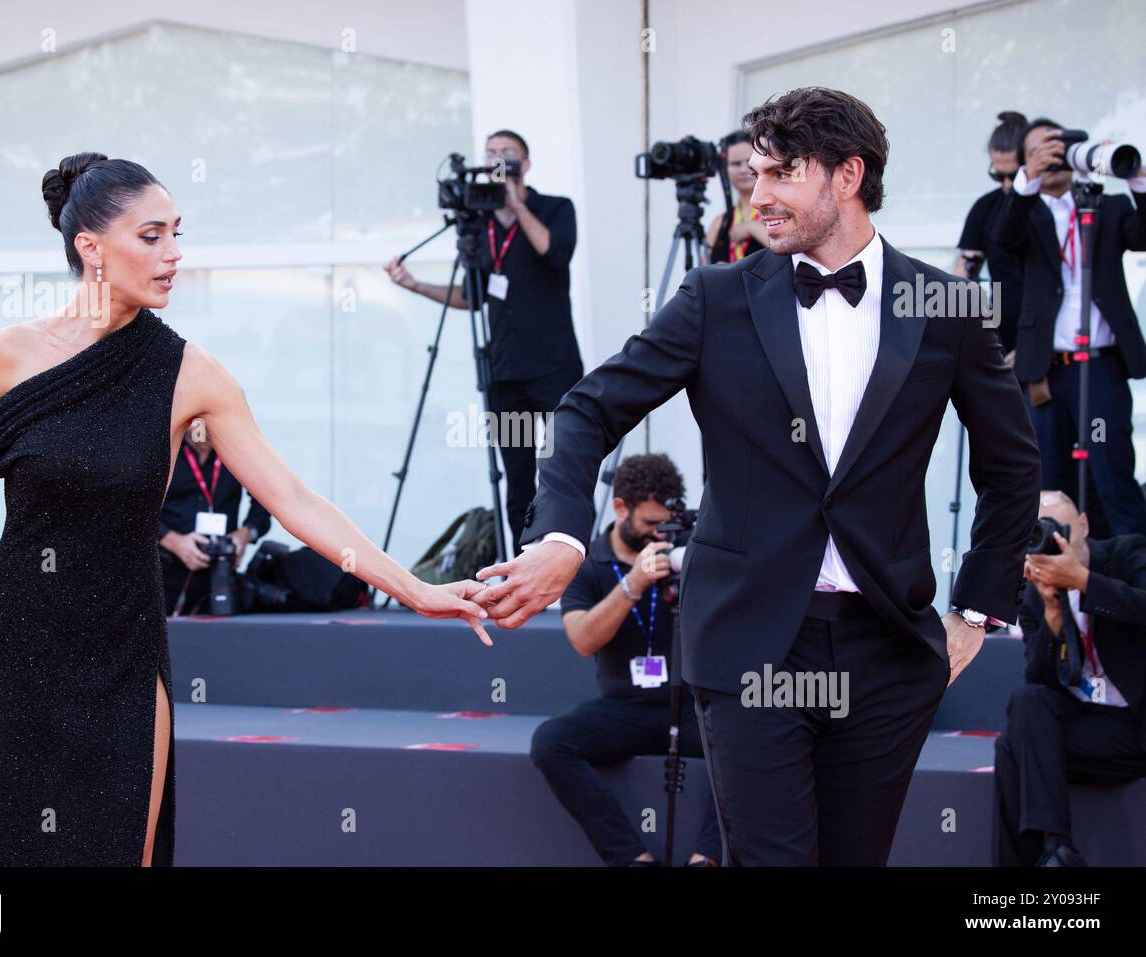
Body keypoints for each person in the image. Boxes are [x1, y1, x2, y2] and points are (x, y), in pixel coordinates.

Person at [474, 87, 1041, 865]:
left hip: (889, 651)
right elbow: (587, 409)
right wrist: (563, 533)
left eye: (782, 174)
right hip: (750, 644)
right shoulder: (717, 299)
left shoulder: (943, 304)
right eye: (756, 173)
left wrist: (977, 609)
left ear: (848, 175)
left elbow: (1011, 465)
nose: (758, 193)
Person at [0, 152, 492, 867]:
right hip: (15, 657)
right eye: (152, 235)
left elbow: (293, 499)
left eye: (178, 232)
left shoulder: (190, 372)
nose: (174, 253)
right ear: (90, 247)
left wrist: (415, 588)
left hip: (125, 657)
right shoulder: (6, 356)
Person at [385, 129, 584, 552]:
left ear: (525, 164)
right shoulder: (479, 223)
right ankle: (521, 568)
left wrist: (515, 204)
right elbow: (470, 297)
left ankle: (566, 569)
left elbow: (555, 253)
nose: (496, 160)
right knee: (517, 479)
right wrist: (415, 285)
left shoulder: (554, 208)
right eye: (490, 153)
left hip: (553, 370)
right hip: (505, 374)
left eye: (506, 153)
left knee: (560, 472)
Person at [529, 453, 723, 867]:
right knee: (550, 743)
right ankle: (632, 859)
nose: (659, 535)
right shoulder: (587, 563)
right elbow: (582, 640)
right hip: (624, 707)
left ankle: (707, 858)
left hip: (689, 705)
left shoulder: (686, 551)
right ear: (620, 508)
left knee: (757, 737)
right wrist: (632, 584)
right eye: (650, 524)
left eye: (665, 525)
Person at [994, 118, 1146, 538]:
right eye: (1044, 149)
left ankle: (1131, 588)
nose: (1056, 156)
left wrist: (1136, 176)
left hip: (1100, 368)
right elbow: (1003, 239)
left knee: (1112, 476)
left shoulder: (1108, 206)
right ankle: (1052, 596)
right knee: (1050, 486)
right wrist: (1029, 176)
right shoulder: (1026, 214)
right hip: (1047, 371)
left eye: (1062, 147)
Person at [995, 489, 1146, 866]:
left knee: (1013, 749)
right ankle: (1056, 852)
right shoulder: (1035, 594)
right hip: (1091, 725)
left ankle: (1039, 860)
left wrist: (1083, 581)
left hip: (1138, 726)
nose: (1054, 540)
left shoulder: (1127, 554)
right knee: (1027, 706)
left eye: (1061, 528)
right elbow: (1040, 680)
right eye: (1041, 532)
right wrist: (1052, 614)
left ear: (1084, 526)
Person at [159, 425, 272, 615]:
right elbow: (132, 507)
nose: (202, 428)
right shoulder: (161, 451)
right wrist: (171, 540)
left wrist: (244, 534)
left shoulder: (239, 454)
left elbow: (266, 502)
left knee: (218, 638)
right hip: (164, 569)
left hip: (221, 572)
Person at [953, 110, 1028, 358]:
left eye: (1014, 175)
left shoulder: (1048, 208)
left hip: (1048, 336)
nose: (1006, 184)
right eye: (998, 175)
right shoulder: (985, 207)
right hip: (1001, 335)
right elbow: (964, 273)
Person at [705, 131, 769, 264]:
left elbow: (791, 255)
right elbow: (701, 272)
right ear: (724, 169)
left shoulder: (778, 213)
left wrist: (753, 228)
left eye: (749, 162)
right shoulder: (719, 223)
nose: (743, 170)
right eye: (735, 164)